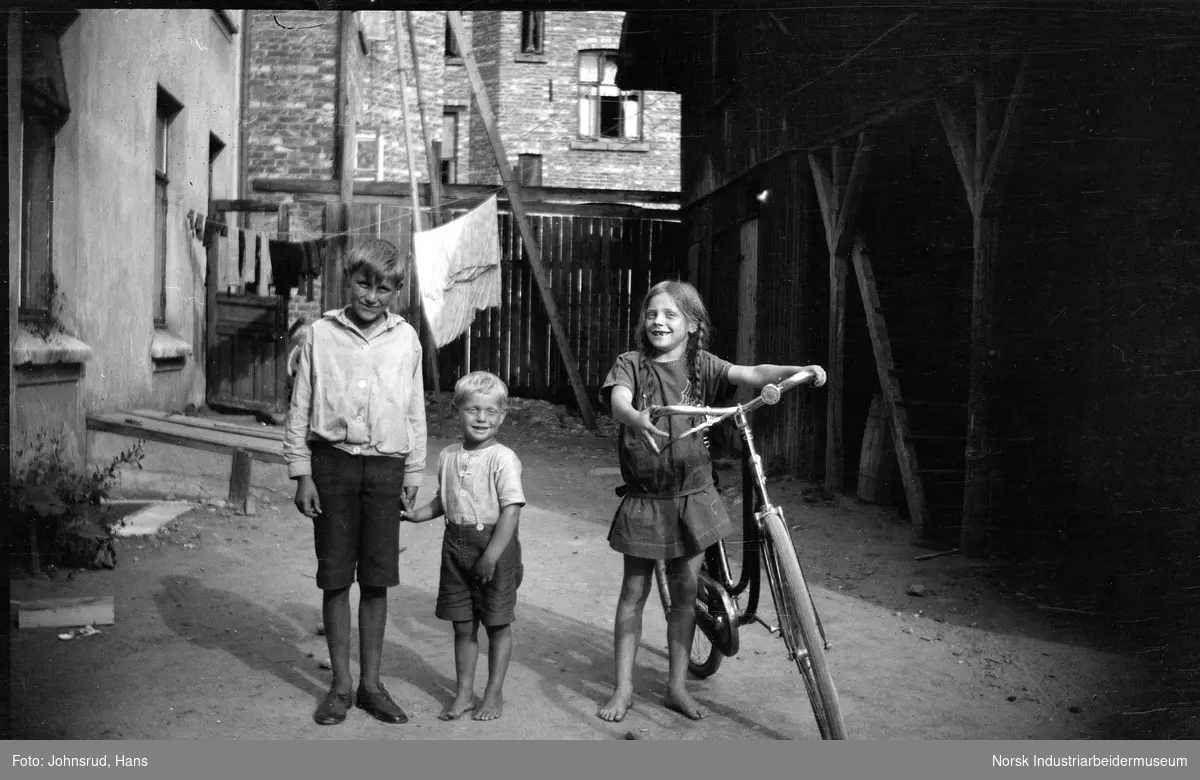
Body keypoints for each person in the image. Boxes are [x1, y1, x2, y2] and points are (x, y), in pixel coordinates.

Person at [595, 280, 826, 723]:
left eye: (671, 315)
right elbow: (619, 400)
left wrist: (799, 369)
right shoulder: (631, 364)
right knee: (634, 592)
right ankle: (622, 688)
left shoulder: (704, 365)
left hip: (694, 497)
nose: (659, 321)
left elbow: (754, 372)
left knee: (684, 595)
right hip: (647, 498)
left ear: (692, 324)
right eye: (652, 314)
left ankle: (677, 687)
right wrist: (634, 416)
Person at [284, 237, 427, 726]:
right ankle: (340, 687)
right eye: (364, 284)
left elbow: (415, 409)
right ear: (349, 279)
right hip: (334, 467)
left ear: (396, 291)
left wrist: (413, 471)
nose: (371, 296)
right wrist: (301, 471)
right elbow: (301, 405)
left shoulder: (406, 339)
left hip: (386, 469)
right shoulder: (320, 334)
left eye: (383, 288)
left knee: (378, 579)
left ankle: (371, 685)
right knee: (336, 577)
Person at [401, 371, 525, 722]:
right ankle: (464, 692)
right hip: (454, 547)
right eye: (472, 410)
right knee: (462, 624)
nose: (481, 418)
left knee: (497, 623)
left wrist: (491, 557)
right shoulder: (448, 456)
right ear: (458, 410)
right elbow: (445, 500)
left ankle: (494, 693)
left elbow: (511, 511)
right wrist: (418, 515)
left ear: (502, 416)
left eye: (489, 411)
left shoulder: (503, 458)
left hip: (494, 548)